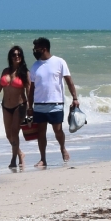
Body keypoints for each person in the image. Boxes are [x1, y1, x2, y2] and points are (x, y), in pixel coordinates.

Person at [27, 38, 79, 168]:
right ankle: (43, 159)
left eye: (36, 49)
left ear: (44, 49)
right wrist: (29, 106)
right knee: (41, 132)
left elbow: (69, 81)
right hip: (39, 104)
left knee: (58, 130)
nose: (34, 51)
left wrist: (75, 98)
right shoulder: (35, 65)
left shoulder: (59, 62)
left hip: (55, 103)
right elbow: (32, 88)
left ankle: (62, 148)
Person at [0, 45, 32, 171]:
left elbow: (29, 91)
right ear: (10, 57)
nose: (16, 56)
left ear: (22, 57)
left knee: (15, 132)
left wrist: (30, 108)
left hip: (20, 105)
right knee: (8, 135)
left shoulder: (25, 73)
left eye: (19, 54)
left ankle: (13, 159)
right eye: (14, 55)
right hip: (6, 106)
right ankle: (20, 153)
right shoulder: (5, 71)